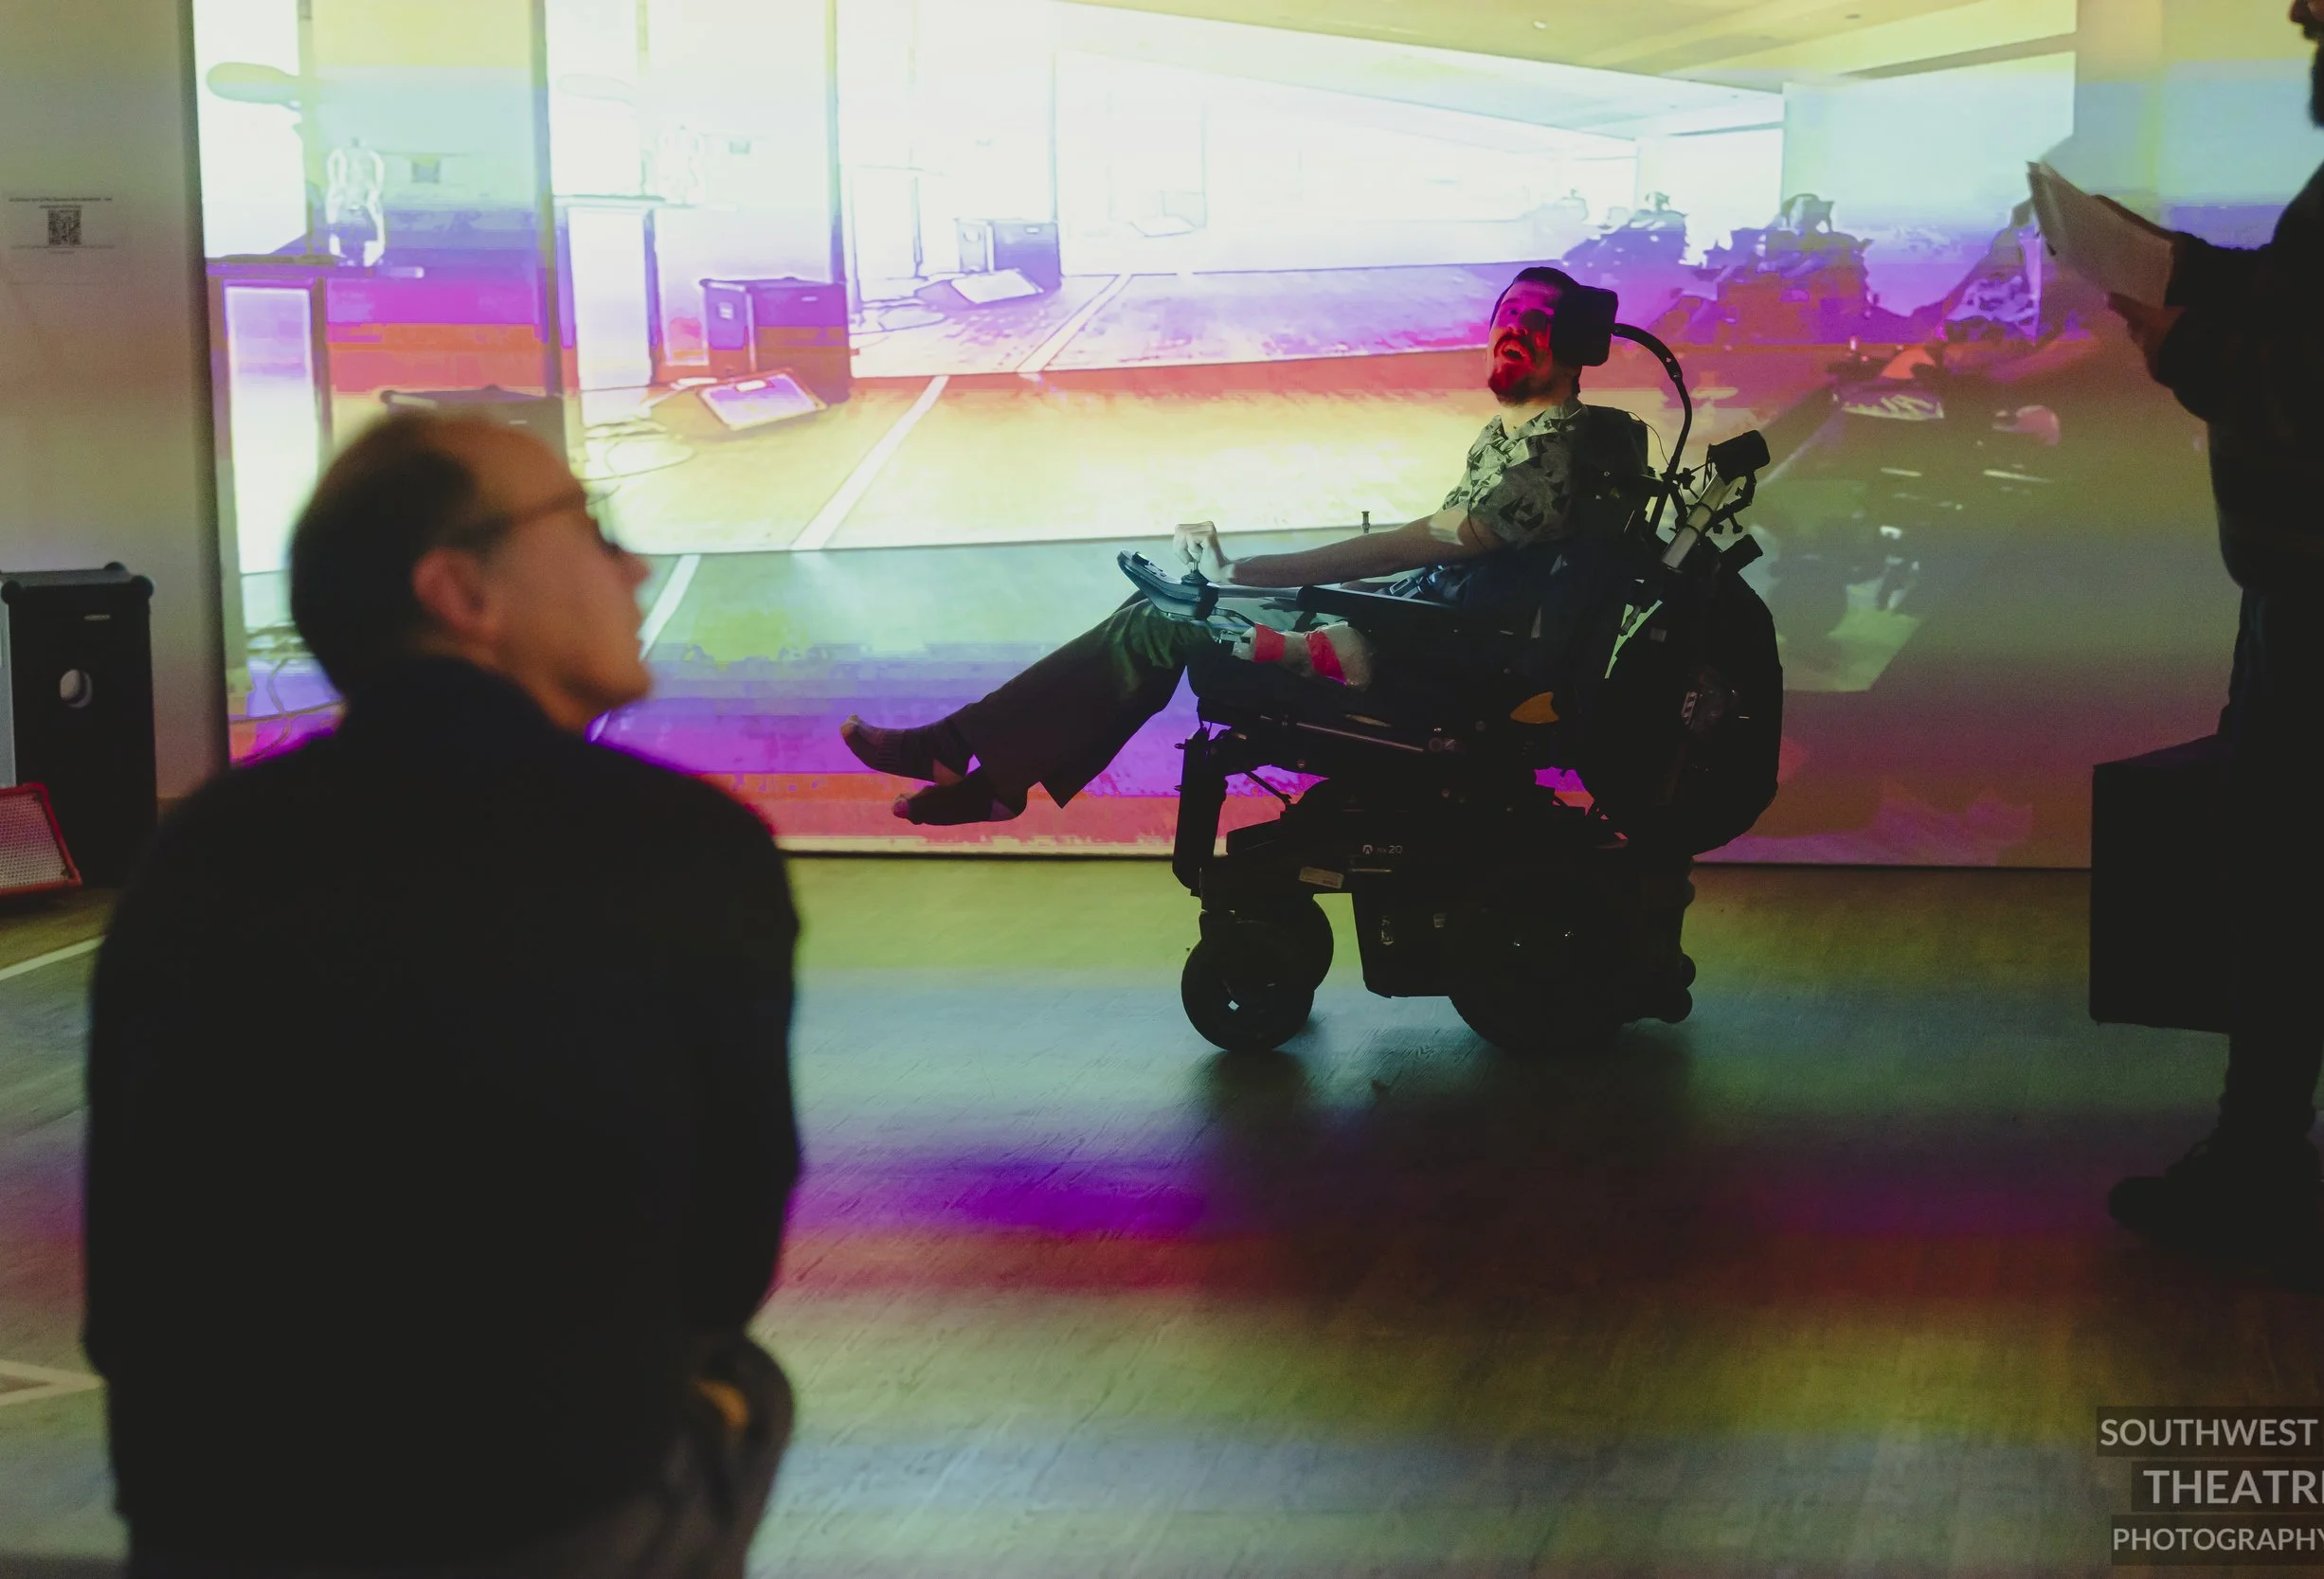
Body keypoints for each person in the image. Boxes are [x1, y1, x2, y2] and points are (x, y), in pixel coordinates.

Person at [84, 413, 802, 1575]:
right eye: (590, 529)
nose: (633, 567)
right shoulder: (684, 844)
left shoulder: (202, 846)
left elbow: (126, 1278)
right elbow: (727, 1261)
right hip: (525, 1514)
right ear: (460, 589)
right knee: (743, 1383)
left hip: (202, 1512)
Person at [842, 265, 1648, 825]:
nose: (1512, 332)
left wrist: (1246, 572)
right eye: (1507, 315)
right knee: (1156, 605)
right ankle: (986, 769)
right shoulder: (1527, 436)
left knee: (1169, 618)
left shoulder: (1551, 453)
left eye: (1537, 324)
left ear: (1577, 349)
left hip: (1422, 653)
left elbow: (1418, 546)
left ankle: (973, 759)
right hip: (1422, 630)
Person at [2105, 0, 2324, 1259]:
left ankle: (2257, 1165)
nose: (2301, 9)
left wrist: (2183, 342)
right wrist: (2184, 268)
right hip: (2318, 588)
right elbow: (2317, 303)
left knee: (2283, 871)